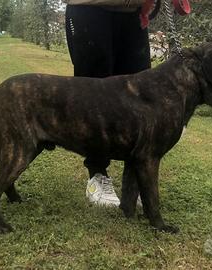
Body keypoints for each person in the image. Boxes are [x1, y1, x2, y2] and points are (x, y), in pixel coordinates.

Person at [64, 0, 153, 206]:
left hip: (132, 10)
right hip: (88, 8)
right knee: (94, 98)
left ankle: (134, 179)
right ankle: (97, 173)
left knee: (138, 96)